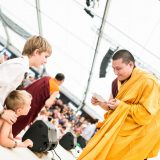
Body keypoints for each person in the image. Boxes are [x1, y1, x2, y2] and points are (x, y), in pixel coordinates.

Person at [78, 49, 160, 160]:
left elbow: (145, 116)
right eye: (113, 68)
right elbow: (111, 108)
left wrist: (121, 106)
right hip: (115, 131)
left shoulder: (148, 82)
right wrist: (100, 103)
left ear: (130, 64)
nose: (115, 72)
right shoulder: (116, 82)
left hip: (135, 138)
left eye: (118, 68)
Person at [0, 35, 52, 125]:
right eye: (45, 56)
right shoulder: (19, 66)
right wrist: (2, 112)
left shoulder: (22, 66)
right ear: (36, 52)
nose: (45, 61)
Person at [12, 73, 65, 137]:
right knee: (22, 120)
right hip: (33, 105)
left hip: (24, 97)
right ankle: (11, 134)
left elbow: (33, 84)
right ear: (61, 81)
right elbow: (47, 103)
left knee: (14, 112)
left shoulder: (46, 78)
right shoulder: (56, 89)